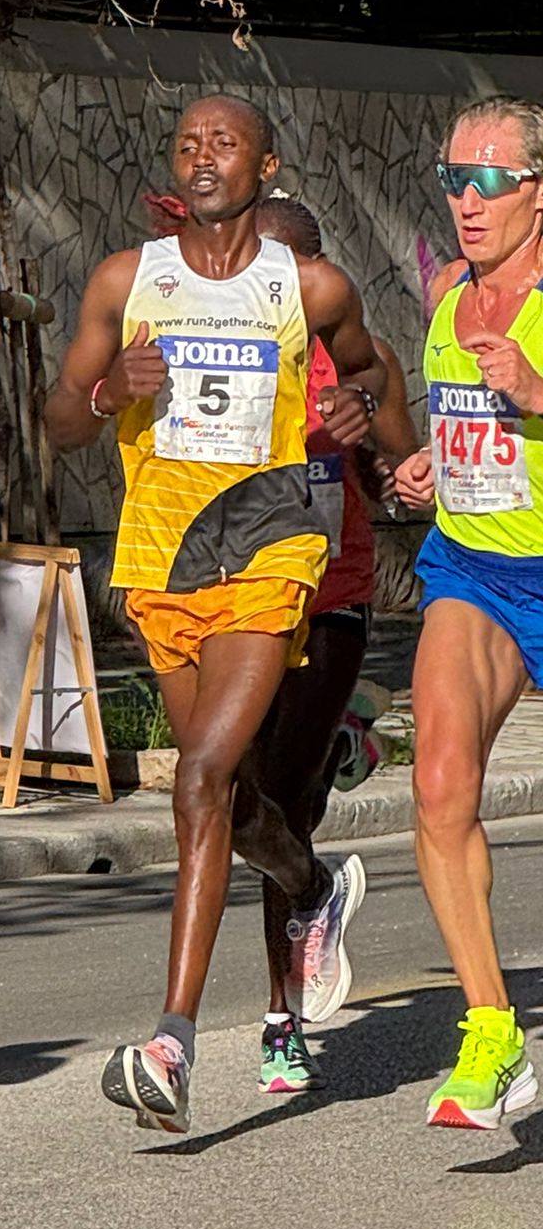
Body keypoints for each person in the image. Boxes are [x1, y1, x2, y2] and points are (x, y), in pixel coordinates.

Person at [47, 95, 386, 1133]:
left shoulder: (310, 283)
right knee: (228, 801)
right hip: (163, 556)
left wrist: (357, 406)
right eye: (187, 144)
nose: (202, 158)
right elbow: (56, 417)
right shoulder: (125, 278)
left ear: (263, 165)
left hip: (273, 545)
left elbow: (373, 367)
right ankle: (315, 880)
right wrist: (110, 393)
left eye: (222, 143)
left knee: (198, 778)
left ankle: (173, 1039)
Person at [393, 96, 543, 1129]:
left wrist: (538, 388)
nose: (466, 200)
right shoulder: (448, 297)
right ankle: (492, 1028)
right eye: (453, 178)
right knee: (440, 781)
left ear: (536, 185)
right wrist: (431, 472)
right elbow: (471, 445)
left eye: (488, 179)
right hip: (478, 572)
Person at [250, 196, 419, 1094]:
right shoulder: (224, 348)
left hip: (333, 600)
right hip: (238, 602)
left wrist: (367, 443)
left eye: (288, 271)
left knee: (280, 796)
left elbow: (408, 479)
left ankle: (281, 1022)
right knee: (241, 803)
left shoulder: (362, 357)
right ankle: (318, 880)